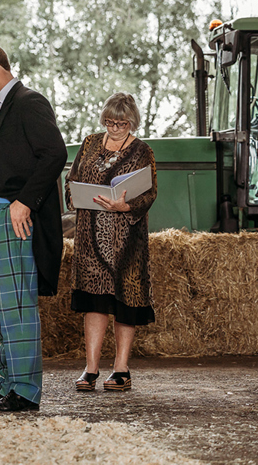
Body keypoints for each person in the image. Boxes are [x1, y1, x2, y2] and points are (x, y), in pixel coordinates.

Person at [0, 44, 67, 412]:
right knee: (0, 308)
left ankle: (24, 392)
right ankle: (6, 384)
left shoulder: (28, 101)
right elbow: (0, 165)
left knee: (17, 305)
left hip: (13, 217)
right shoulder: (1, 108)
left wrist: (24, 201)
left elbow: (55, 153)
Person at [65, 92, 157, 392]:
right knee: (94, 301)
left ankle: (121, 369)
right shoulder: (90, 143)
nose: (115, 128)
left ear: (132, 122)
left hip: (127, 239)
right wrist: (74, 195)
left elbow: (149, 192)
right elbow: (72, 178)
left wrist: (126, 207)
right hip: (90, 235)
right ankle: (90, 369)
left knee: (124, 301)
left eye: (121, 123)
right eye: (110, 122)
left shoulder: (143, 151)